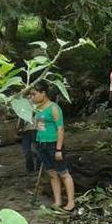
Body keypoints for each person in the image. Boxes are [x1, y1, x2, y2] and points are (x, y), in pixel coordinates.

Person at [30, 82, 75, 211]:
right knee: (51, 173)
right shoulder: (38, 108)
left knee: (63, 173)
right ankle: (58, 201)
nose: (32, 97)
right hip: (41, 144)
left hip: (53, 144)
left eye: (34, 94)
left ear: (43, 93)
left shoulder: (54, 108)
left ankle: (71, 202)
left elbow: (60, 129)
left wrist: (58, 149)